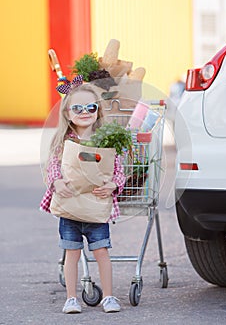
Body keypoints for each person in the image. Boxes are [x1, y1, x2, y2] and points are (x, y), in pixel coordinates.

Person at [40, 81, 125, 314]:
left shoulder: (105, 141)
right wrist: (56, 182)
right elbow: (53, 168)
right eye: (78, 108)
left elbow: (118, 169)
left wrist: (112, 185)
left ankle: (108, 296)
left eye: (91, 107)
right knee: (72, 253)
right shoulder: (62, 141)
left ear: (98, 110)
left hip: (96, 206)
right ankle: (71, 298)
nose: (85, 113)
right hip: (70, 208)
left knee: (101, 252)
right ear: (67, 113)